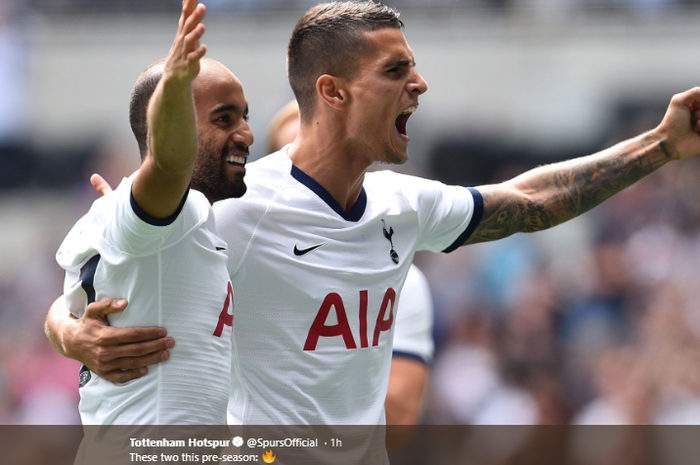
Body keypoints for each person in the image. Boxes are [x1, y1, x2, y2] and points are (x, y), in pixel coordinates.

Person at [48, 0, 700, 433]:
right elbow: (112, 267)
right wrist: (69, 330)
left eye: (414, 68)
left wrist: (663, 144)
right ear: (332, 91)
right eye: (397, 71)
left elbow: (528, 203)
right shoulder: (234, 209)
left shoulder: (401, 207)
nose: (419, 85)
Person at [47, 0, 254, 424]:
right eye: (224, 118)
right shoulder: (173, 212)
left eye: (244, 117)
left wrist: (64, 331)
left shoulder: (152, 219)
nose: (247, 133)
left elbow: (66, 311)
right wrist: (175, 85)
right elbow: (168, 164)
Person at [267, 100, 434, 446]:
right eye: (294, 162)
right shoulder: (232, 251)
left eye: (325, 158)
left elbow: (399, 420)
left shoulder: (403, 279)